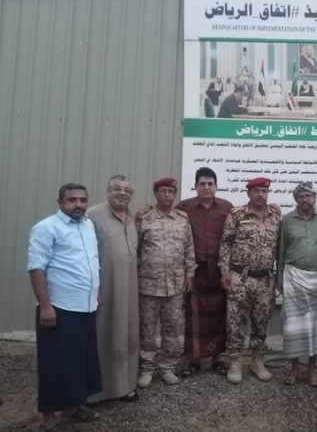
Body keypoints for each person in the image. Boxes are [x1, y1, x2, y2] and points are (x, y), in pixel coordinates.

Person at [27, 183, 102, 431]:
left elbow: (91, 261)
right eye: (72, 200)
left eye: (82, 200)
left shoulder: (87, 225)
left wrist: (97, 292)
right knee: (55, 363)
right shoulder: (46, 228)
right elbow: (36, 268)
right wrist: (45, 306)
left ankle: (71, 409)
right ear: (60, 202)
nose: (78, 204)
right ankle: (49, 419)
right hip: (60, 308)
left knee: (80, 361)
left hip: (86, 306)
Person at [219, 177, 281, 384]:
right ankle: (235, 361)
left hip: (265, 279)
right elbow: (225, 244)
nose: (261, 195)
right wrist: (225, 272)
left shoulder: (275, 215)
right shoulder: (237, 214)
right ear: (249, 193)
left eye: (264, 191)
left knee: (261, 321)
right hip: (240, 278)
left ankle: (257, 361)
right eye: (256, 191)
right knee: (235, 322)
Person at [136, 178, 196, 388]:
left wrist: (190, 275)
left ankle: (167, 367)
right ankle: (146, 368)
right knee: (147, 330)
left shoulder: (182, 219)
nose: (167, 195)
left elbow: (189, 249)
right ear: (155, 193)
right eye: (163, 191)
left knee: (172, 329)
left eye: (171, 191)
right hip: (148, 285)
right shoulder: (144, 218)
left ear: (175, 194)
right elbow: (136, 249)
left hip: (175, 286)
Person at [176, 167, 233, 377]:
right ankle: (193, 359)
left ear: (216, 186)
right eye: (202, 184)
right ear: (196, 186)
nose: (206, 187)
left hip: (219, 271)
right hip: (196, 270)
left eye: (210, 184)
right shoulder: (184, 208)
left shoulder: (227, 208)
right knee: (194, 317)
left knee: (219, 315)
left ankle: (218, 358)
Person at [87, 175, 139, 403]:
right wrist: (92, 289)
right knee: (103, 335)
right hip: (104, 289)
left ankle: (125, 385)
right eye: (117, 188)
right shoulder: (93, 215)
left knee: (127, 335)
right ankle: (97, 392)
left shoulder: (133, 217)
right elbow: (83, 254)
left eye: (127, 190)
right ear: (108, 191)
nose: (122, 193)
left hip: (129, 289)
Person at [277, 182, 317, 388]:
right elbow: (281, 250)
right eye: (301, 196)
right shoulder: (287, 220)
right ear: (295, 199)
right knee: (293, 327)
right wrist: (279, 276)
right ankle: (294, 369)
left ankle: (313, 370)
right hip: (293, 277)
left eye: (309, 195)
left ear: (315, 198)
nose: (305, 199)